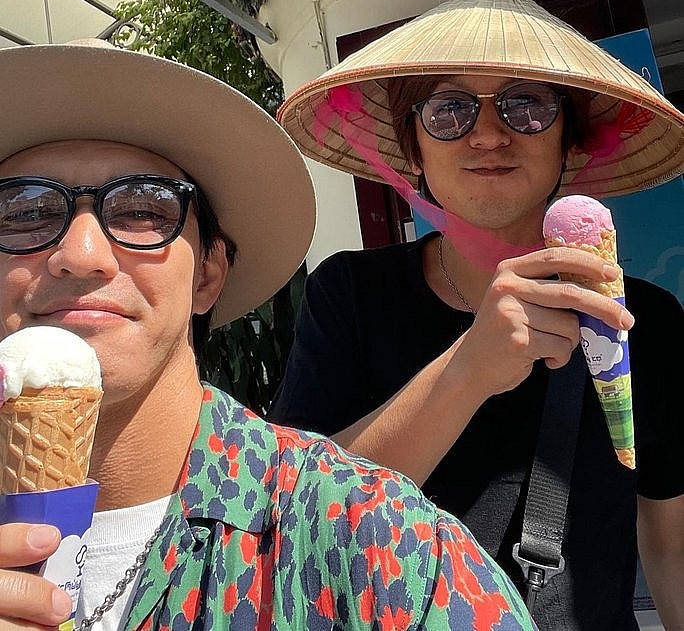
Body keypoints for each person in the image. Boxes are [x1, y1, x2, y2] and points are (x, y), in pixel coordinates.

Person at [0, 39, 537, 630]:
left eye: (144, 210)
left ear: (209, 274)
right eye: (25, 212)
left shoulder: (379, 551)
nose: (81, 255)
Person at [269, 0, 684, 630]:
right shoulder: (349, 296)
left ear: (569, 138)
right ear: (414, 148)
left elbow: (670, 536)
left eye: (526, 106)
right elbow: (292, 518)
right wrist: (467, 369)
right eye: (448, 109)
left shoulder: (647, 321)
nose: (488, 135)